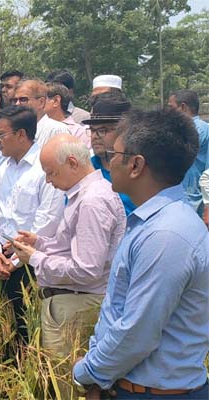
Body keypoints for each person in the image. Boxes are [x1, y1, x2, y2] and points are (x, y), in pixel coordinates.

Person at [73, 108, 209, 399]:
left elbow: (137, 333)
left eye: (114, 155)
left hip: (157, 392)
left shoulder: (166, 235)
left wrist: (88, 372)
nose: (108, 163)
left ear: (136, 165)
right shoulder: (152, 223)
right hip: (135, 386)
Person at [11, 135, 125, 396]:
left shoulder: (91, 201)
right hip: (76, 302)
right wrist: (39, 243)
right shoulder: (87, 195)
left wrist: (35, 258)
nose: (49, 181)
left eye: (51, 173)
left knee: (70, 387)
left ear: (72, 162)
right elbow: (73, 246)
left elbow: (86, 269)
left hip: (78, 304)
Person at [0, 106, 65, 343]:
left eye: (2, 135)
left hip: (32, 265)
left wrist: (15, 261)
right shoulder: (3, 169)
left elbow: (47, 221)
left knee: (31, 332)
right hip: (2, 262)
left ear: (21, 135)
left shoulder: (45, 168)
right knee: (4, 333)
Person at [82, 95, 136, 215]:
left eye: (103, 130)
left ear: (125, 131)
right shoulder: (85, 170)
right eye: (92, 130)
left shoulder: (139, 171)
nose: (95, 136)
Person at [167, 89, 209, 216]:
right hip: (199, 192)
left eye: (171, 107)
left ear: (183, 107)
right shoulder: (204, 127)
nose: (168, 112)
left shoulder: (191, 130)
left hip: (190, 194)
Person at [12, 79, 69, 146]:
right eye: (15, 100)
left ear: (41, 102)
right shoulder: (13, 131)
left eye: (23, 99)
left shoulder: (57, 130)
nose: (17, 104)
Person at [44, 82, 89, 148]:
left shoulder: (78, 132)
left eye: (43, 99)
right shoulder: (36, 129)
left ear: (56, 101)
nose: (39, 103)